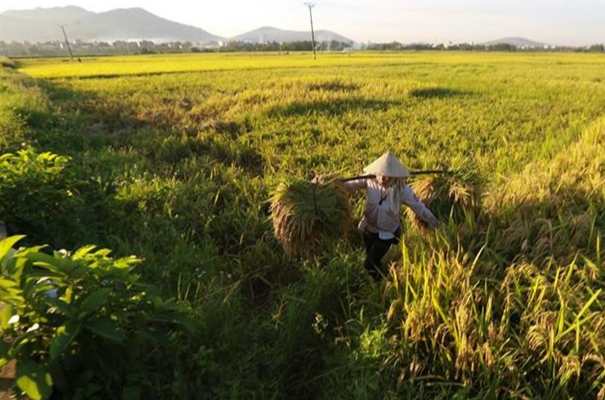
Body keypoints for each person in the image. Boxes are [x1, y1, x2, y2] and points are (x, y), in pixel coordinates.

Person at [344, 152, 440, 280]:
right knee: (373, 260)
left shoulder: (402, 190)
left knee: (369, 264)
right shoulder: (370, 179)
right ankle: (377, 284)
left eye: (387, 176)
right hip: (368, 228)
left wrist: (436, 224)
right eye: (380, 174)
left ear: (394, 175)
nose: (382, 179)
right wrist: (330, 185)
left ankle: (384, 285)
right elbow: (350, 186)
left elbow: (420, 208)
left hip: (386, 233)